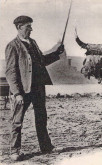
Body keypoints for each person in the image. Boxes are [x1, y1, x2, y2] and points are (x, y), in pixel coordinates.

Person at [5, 15, 64, 161]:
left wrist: (57, 52)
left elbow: (42, 61)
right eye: (28, 26)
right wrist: (17, 93)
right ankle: (14, 151)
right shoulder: (12, 46)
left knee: (41, 118)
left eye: (30, 26)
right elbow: (10, 71)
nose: (31, 29)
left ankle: (46, 147)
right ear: (19, 27)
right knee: (17, 120)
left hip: (38, 88)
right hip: (23, 90)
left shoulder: (33, 42)